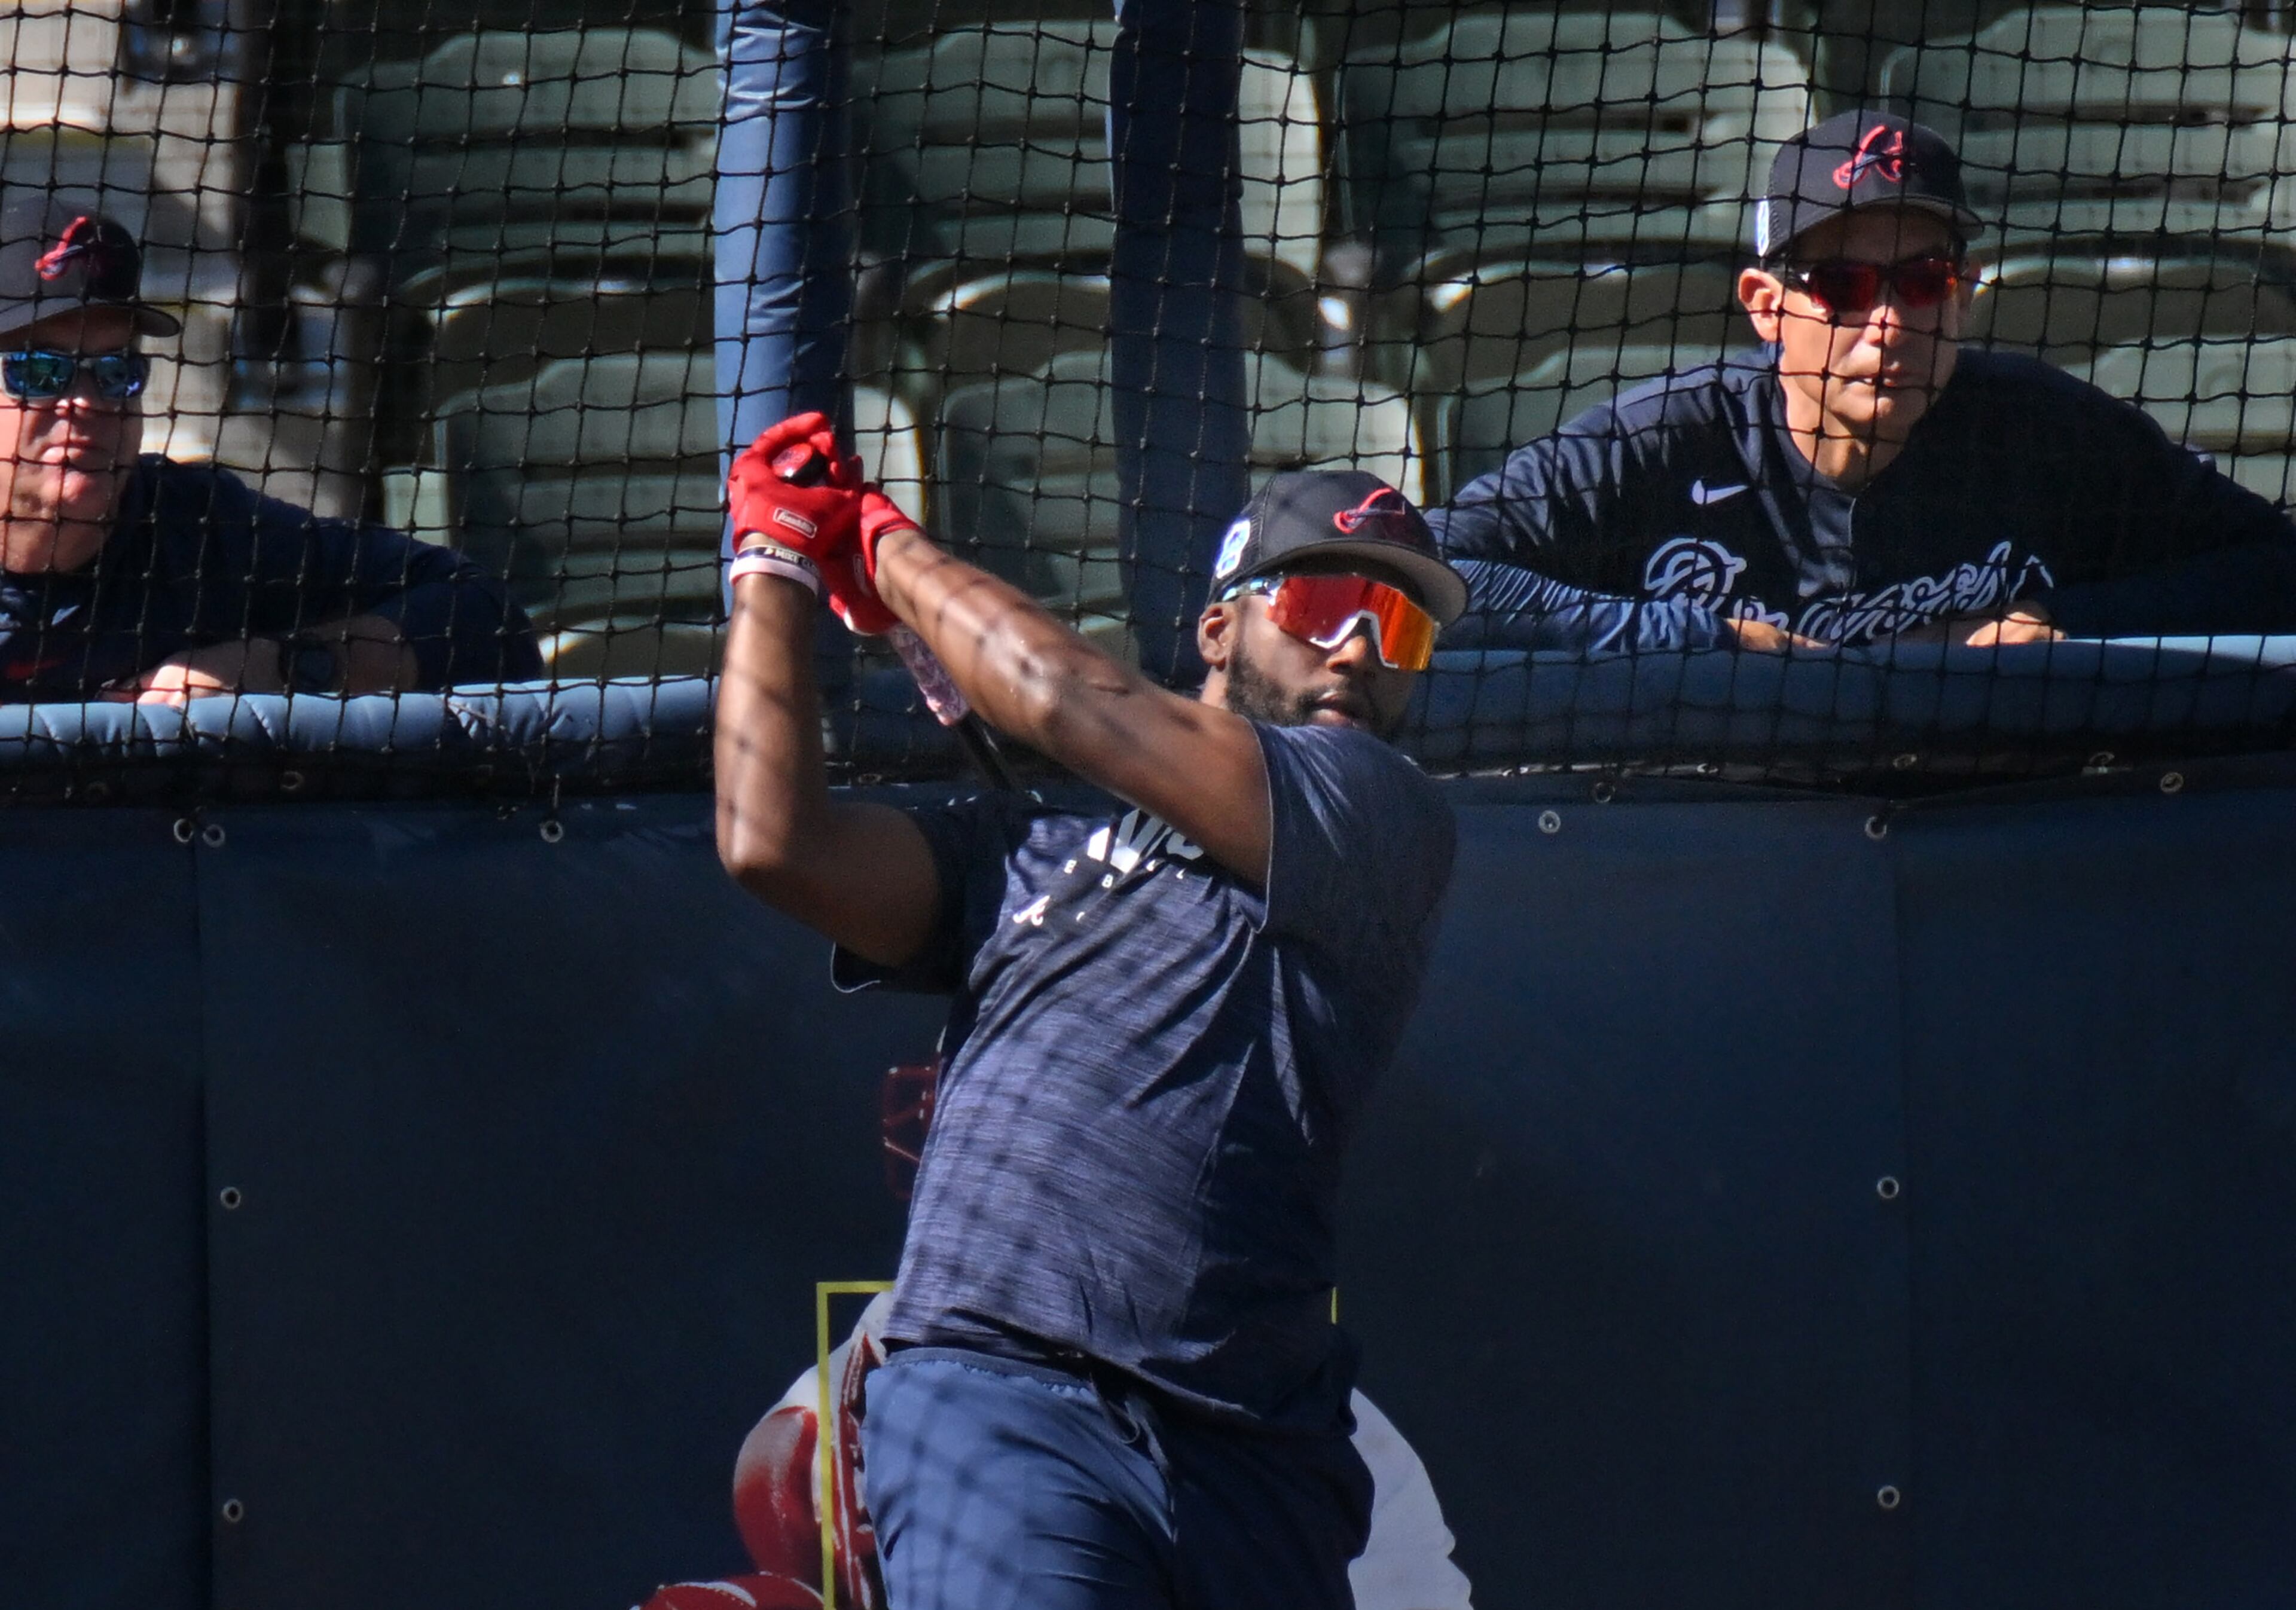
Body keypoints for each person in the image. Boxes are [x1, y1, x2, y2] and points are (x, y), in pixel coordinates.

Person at [713, 414, 1464, 1610]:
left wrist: (881, 542)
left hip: (1255, 1448)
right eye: (1326, 601)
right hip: (1007, 1399)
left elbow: (1062, 693)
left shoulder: (1381, 814)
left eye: (1404, 623)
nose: (1365, 650)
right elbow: (775, 843)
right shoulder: (1030, 846)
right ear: (1222, 622)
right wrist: (777, 566)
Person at [1430, 110, 2296, 655]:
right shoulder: (1649, 446)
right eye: (1841, 285)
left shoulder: (2047, 430)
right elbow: (1416, 581)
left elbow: (2276, 569)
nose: (1889, 322)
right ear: (1766, 306)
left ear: (1963, 293)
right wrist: (1697, 636)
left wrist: (2060, 624)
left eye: (1923, 281)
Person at [0, 191, 539, 702]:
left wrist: (289, 666)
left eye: (116, 371)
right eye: (40, 372)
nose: (89, 403)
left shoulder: (202, 530)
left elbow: (488, 619)